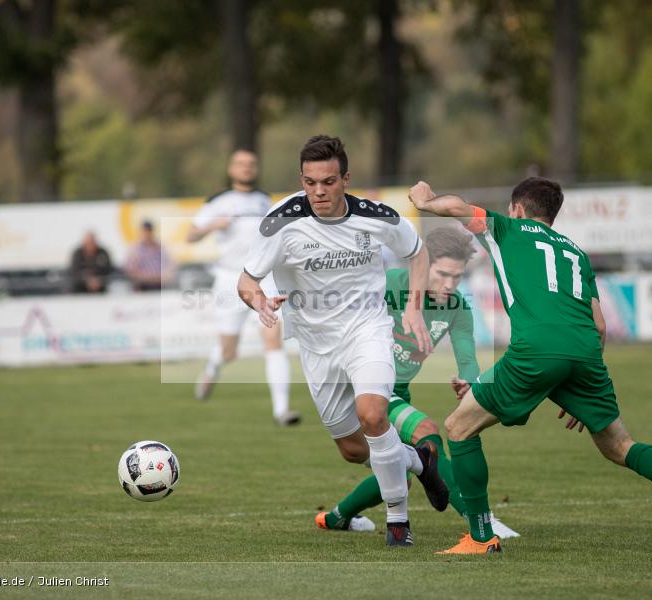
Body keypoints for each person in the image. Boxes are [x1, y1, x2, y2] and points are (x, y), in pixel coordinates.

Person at [408, 177, 652, 555]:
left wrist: (426, 201)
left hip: (537, 350)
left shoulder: (507, 228)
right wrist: (577, 384)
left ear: (519, 209)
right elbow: (600, 325)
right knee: (620, 445)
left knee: (458, 428)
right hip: (586, 354)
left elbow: (456, 206)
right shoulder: (576, 252)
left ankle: (479, 537)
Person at [238, 135, 448, 547]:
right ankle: (418, 461)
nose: (319, 191)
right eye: (311, 182)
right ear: (301, 179)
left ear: (345, 179)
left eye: (329, 182)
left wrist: (414, 307)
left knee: (373, 414)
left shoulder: (376, 216)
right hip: (316, 345)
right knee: (353, 450)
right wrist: (259, 302)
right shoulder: (279, 221)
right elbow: (247, 281)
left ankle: (398, 523)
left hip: (367, 330)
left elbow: (418, 252)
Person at [314, 226, 519, 539]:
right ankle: (481, 520)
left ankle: (336, 518)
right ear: (422, 264)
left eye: (457, 277)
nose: (450, 285)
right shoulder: (387, 287)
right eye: (442, 274)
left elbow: (467, 359)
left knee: (400, 474)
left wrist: (468, 380)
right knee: (427, 432)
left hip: (397, 393)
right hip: (360, 389)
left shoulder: (457, 309)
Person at [188, 149, 300, 426]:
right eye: (241, 164)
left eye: (251, 164)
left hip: (263, 278)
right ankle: (213, 367)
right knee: (229, 351)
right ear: (231, 168)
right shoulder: (218, 201)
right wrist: (213, 225)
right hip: (229, 279)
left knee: (273, 338)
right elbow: (190, 235)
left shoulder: (265, 201)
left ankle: (281, 410)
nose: (246, 168)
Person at [125, 221, 174, 291]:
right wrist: (146, 278)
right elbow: (131, 271)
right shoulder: (135, 250)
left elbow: (170, 267)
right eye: (145, 231)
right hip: (142, 287)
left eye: (149, 231)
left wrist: (163, 276)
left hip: (160, 285)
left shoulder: (160, 248)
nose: (147, 234)